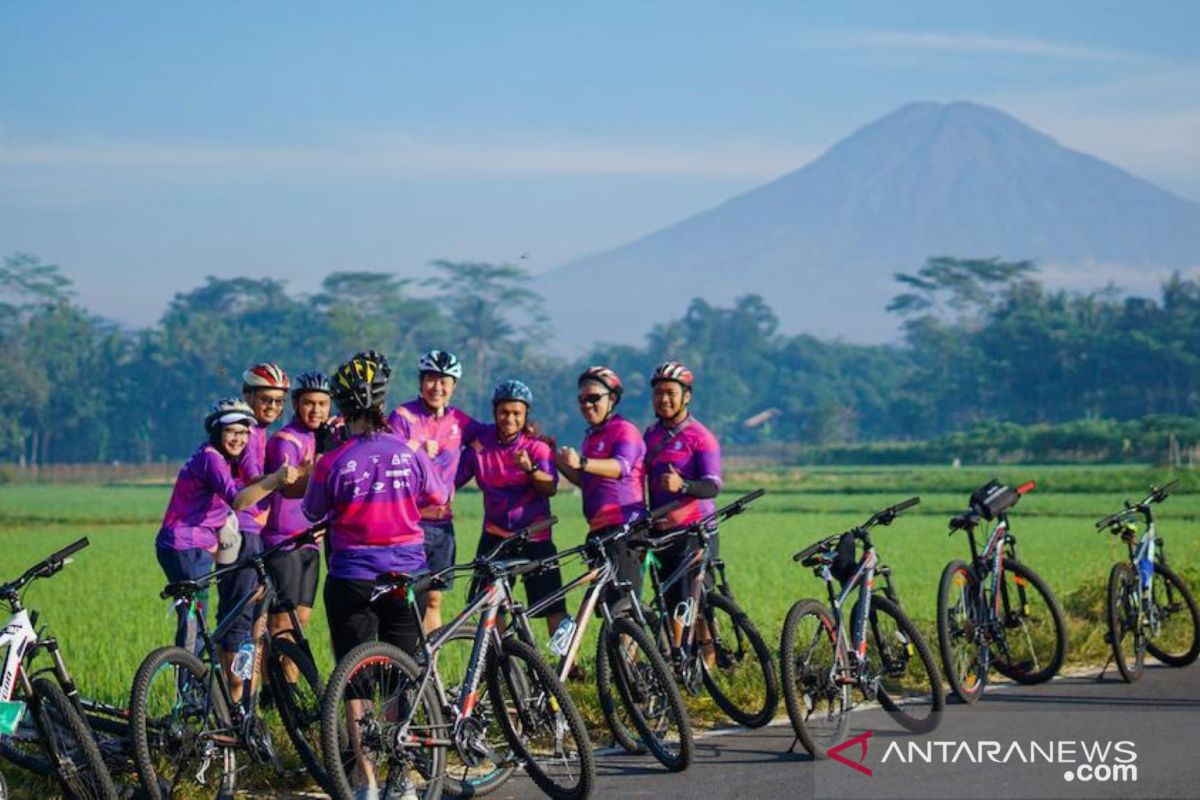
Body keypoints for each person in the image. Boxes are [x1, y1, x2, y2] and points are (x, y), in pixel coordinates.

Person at [304, 351, 445, 800]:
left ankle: (365, 783)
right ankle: (400, 779)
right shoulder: (407, 451)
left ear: (342, 409)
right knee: (400, 680)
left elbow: (311, 510)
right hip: (404, 575)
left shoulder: (333, 460)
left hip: (351, 578)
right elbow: (437, 497)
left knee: (357, 682)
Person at [155, 398, 298, 657]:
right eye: (231, 431)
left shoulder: (230, 457)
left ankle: (199, 685)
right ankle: (188, 692)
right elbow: (240, 500)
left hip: (194, 545)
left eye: (244, 433)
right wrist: (277, 479)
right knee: (193, 624)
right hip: (185, 546)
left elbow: (254, 480)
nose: (239, 438)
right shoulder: (212, 458)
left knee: (199, 620)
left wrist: (286, 476)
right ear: (217, 432)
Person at [456, 380, 566, 637]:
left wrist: (530, 469)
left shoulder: (536, 447)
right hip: (496, 536)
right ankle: (503, 656)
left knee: (552, 604)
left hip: (535, 536)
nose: (510, 418)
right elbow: (452, 480)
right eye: (504, 412)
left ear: (526, 414)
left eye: (517, 413)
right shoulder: (480, 447)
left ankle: (567, 665)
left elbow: (550, 487)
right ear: (495, 412)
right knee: (484, 601)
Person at [214, 362, 290, 699]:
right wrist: (285, 478)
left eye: (278, 401)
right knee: (241, 620)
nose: (272, 407)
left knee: (245, 618)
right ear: (249, 396)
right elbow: (250, 481)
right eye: (266, 399)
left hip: (248, 534)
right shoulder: (250, 433)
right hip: (243, 533)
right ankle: (236, 703)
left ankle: (242, 702)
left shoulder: (254, 432)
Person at [387, 350, 477, 632]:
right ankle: (403, 660)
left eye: (444, 381)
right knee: (405, 598)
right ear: (420, 381)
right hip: (408, 522)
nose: (437, 387)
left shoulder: (460, 422)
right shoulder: (402, 416)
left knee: (434, 599)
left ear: (454, 386)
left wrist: (532, 438)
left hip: (442, 524)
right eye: (431, 379)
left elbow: (494, 439)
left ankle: (430, 666)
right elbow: (390, 456)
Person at [642, 361, 723, 654]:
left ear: (686, 396)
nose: (664, 399)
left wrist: (684, 486)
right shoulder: (650, 435)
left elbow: (713, 485)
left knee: (694, 600)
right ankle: (681, 660)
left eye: (670, 393)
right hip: (663, 532)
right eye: (658, 394)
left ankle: (702, 659)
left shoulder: (700, 436)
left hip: (696, 530)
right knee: (668, 598)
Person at [556, 366, 646, 608]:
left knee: (624, 606)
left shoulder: (625, 430)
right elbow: (586, 481)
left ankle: (632, 647)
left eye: (594, 398)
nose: (587, 404)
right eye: (582, 399)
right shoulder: (591, 437)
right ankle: (613, 647)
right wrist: (558, 461)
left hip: (625, 527)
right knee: (604, 606)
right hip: (598, 530)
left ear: (612, 399)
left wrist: (582, 462)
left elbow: (621, 467)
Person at [262, 371, 331, 643]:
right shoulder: (285, 440)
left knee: (301, 620)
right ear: (296, 404)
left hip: (311, 542)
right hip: (283, 541)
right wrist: (322, 467)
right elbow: (289, 488)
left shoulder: (323, 438)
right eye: (309, 403)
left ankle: (288, 685)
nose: (316, 410)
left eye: (322, 404)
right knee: (281, 621)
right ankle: (273, 686)